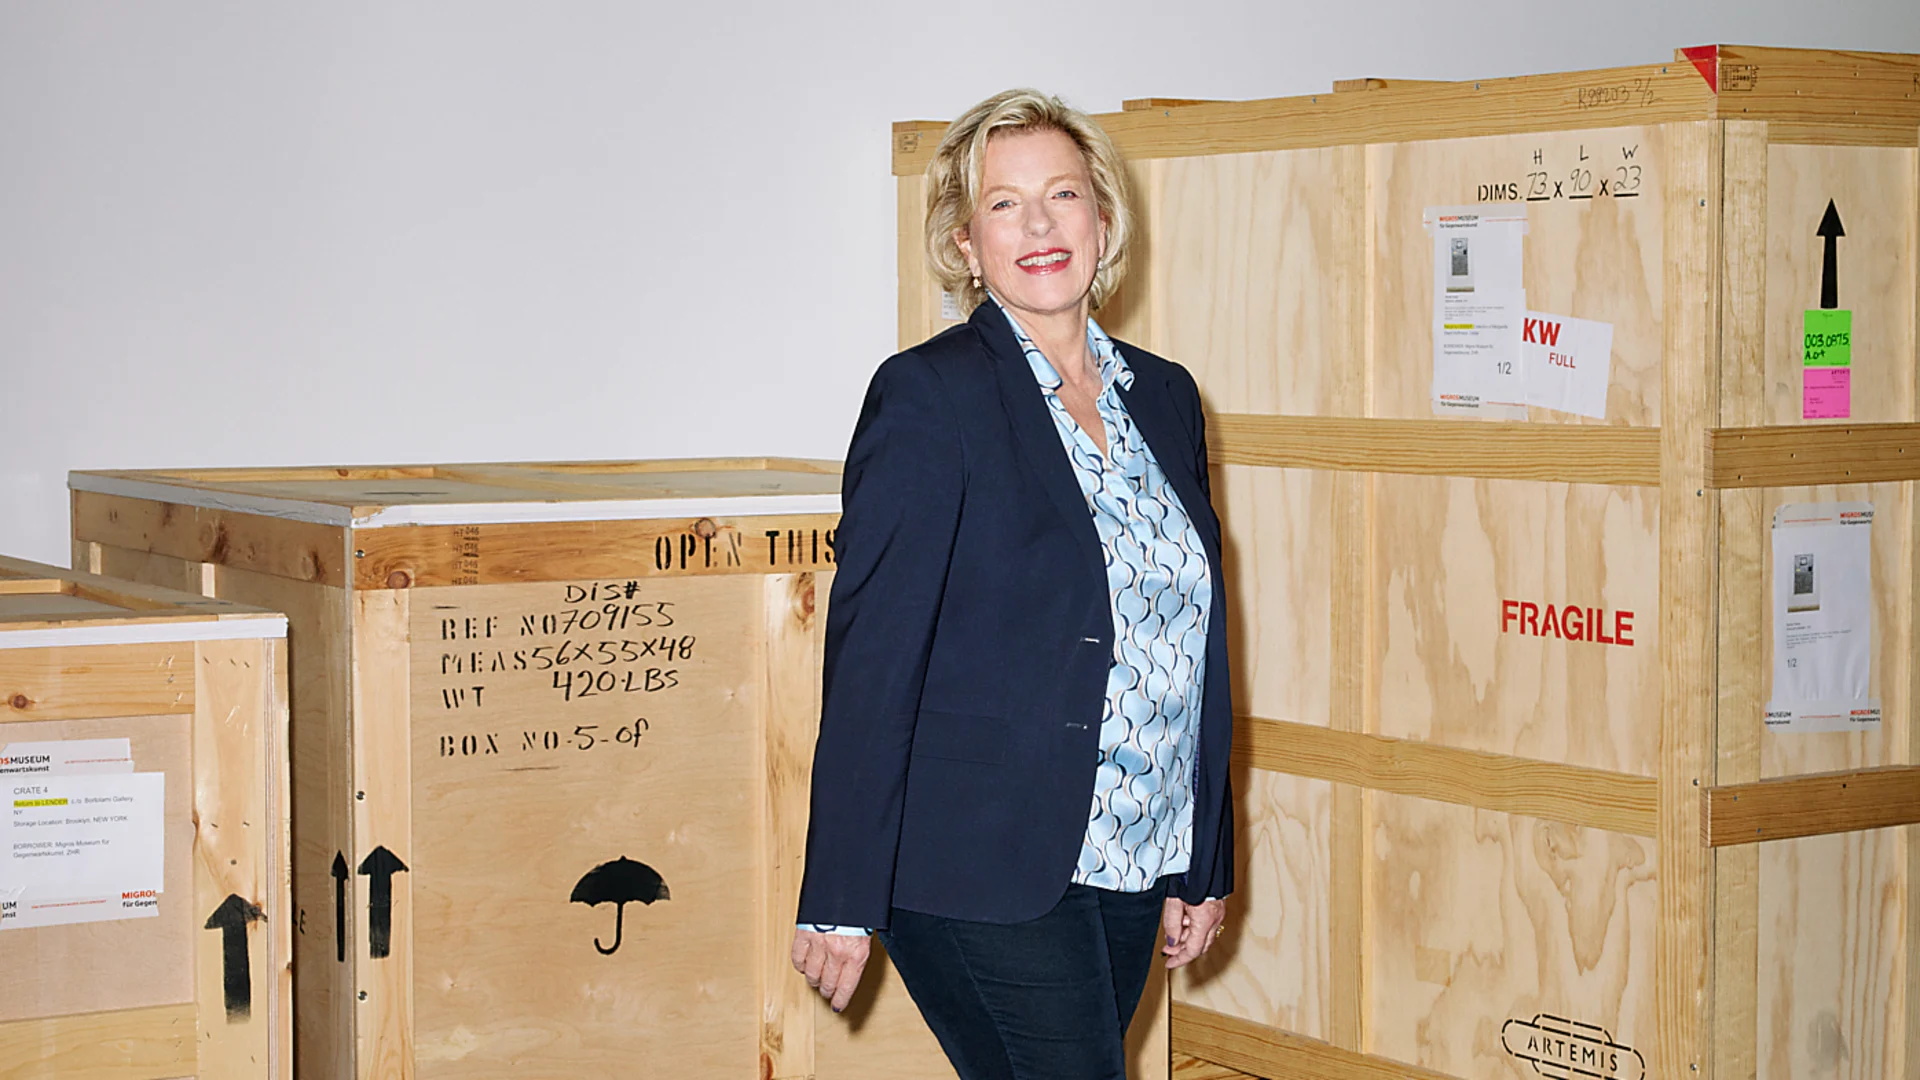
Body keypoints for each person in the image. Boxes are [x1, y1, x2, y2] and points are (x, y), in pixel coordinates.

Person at [791, 88, 1233, 1080]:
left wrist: (1203, 859)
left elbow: (1199, 637)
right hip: (978, 862)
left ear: (1104, 221)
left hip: (1132, 847)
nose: (1039, 225)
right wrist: (840, 889)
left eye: (1064, 195)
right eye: (1004, 204)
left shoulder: (1161, 396)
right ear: (964, 243)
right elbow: (873, 657)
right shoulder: (928, 395)